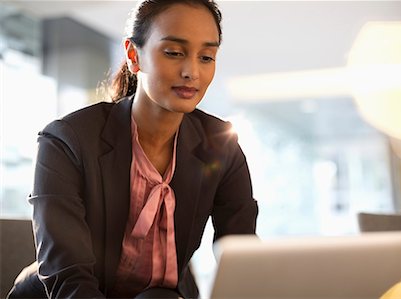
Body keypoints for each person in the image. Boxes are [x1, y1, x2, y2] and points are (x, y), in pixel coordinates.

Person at [8, 0, 258, 298]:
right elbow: (68, 275)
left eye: (206, 57)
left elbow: (243, 257)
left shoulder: (221, 145)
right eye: (174, 53)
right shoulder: (67, 140)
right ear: (133, 55)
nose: (192, 71)